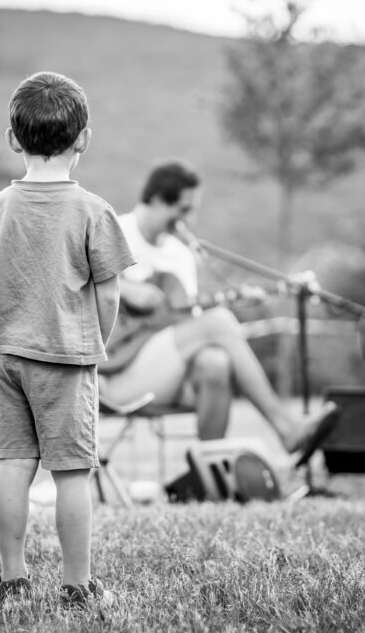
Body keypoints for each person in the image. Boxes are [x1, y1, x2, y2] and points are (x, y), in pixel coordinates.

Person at [0, 72, 135, 606]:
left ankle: (12, 579)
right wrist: (94, 341)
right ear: (84, 139)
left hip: (6, 357)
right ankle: (78, 586)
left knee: (14, 466)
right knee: (72, 475)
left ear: (13, 139)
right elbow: (109, 293)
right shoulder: (93, 211)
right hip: (65, 359)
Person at [100, 158, 340, 466]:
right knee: (221, 322)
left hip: (161, 372)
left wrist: (233, 301)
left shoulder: (179, 255)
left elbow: (189, 326)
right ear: (158, 200)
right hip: (113, 372)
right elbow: (75, 286)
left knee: (215, 362)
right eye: (184, 210)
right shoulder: (113, 231)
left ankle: (210, 471)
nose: (189, 220)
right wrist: (125, 288)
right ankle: (285, 427)